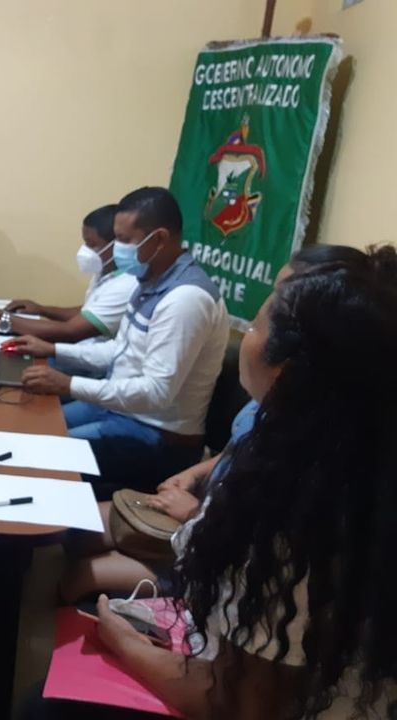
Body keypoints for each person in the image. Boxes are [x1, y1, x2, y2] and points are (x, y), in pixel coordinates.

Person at [20, 244, 397, 719]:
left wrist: (120, 638)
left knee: (43, 707)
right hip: (243, 650)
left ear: (291, 371)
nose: (249, 335)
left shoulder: (290, 516)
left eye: (256, 325)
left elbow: (233, 700)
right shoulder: (341, 450)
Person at [56, 244, 369, 604]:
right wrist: (197, 473)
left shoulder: (316, 449)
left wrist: (195, 514)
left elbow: (258, 547)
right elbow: (241, 446)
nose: (256, 325)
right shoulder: (270, 403)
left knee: (83, 574)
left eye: (260, 324)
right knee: (75, 530)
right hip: (202, 513)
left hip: (219, 550)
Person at [14, 187, 230, 498]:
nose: (117, 249)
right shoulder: (151, 280)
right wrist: (54, 350)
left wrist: (69, 384)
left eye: (125, 240)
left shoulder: (185, 299)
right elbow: (121, 350)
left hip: (157, 436)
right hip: (120, 410)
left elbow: (156, 392)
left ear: (159, 239)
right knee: (27, 428)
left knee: (38, 456)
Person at [0, 204, 137, 342]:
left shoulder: (127, 284)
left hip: (91, 362)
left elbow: (71, 331)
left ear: (118, 244)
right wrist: (42, 309)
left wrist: (3, 319)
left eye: (91, 244)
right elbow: (88, 312)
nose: (85, 250)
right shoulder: (106, 271)